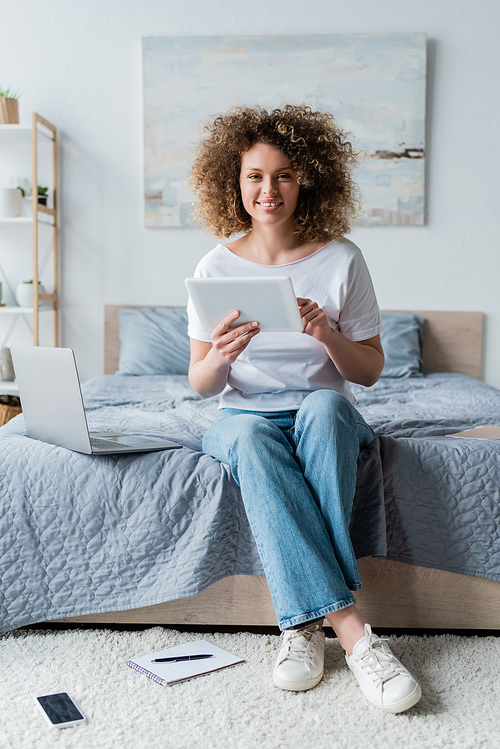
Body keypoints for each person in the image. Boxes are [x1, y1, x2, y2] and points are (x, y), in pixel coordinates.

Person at [186, 104, 421, 713]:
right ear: (234, 184)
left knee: (320, 408)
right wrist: (221, 354)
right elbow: (201, 383)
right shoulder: (214, 266)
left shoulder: (342, 259)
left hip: (326, 408)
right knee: (250, 441)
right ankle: (351, 633)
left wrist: (327, 335)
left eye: (284, 174)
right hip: (243, 418)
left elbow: (368, 373)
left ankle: (299, 628)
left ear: (307, 178)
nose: (269, 190)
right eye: (255, 176)